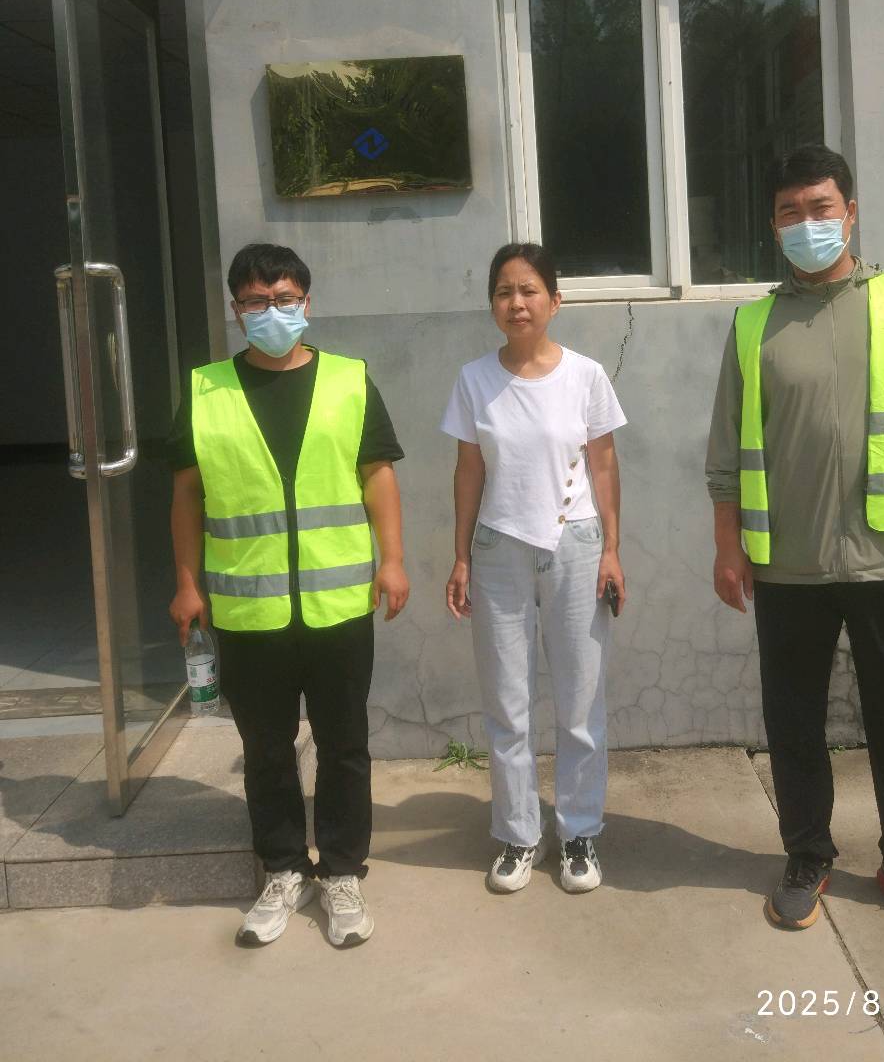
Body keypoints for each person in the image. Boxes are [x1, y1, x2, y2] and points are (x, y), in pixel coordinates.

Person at [706, 144, 884, 940]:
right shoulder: (754, 323)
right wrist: (728, 547)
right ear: (773, 226)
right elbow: (726, 452)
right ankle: (807, 856)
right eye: (790, 213)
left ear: (850, 213)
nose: (807, 224)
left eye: (821, 208)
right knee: (794, 724)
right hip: (788, 565)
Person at [168, 242, 410, 949]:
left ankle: (341, 871)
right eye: (256, 300)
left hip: (338, 605)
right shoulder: (205, 390)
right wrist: (187, 583)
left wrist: (393, 561)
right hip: (249, 610)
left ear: (307, 301)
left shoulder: (349, 380)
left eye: (284, 298)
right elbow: (186, 493)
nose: (271, 310)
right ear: (235, 308)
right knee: (266, 748)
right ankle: (281, 869)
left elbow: (377, 475)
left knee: (344, 744)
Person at [440, 243, 627, 894]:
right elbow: (469, 471)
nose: (516, 303)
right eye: (503, 292)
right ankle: (519, 835)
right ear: (492, 303)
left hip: (577, 544)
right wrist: (461, 555)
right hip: (499, 549)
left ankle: (579, 832)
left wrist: (612, 549)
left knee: (580, 701)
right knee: (507, 704)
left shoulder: (586, 375)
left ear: (554, 300)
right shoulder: (474, 380)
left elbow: (605, 465)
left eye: (528, 291)